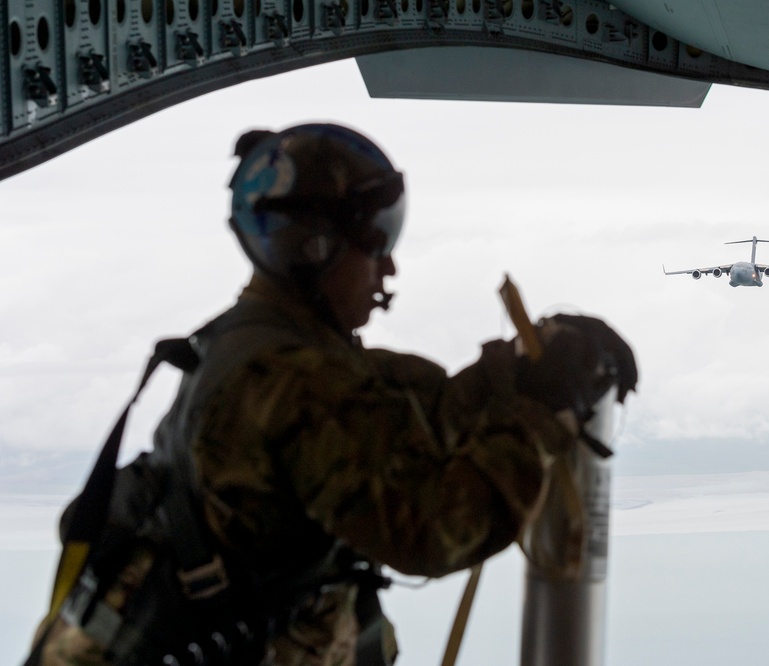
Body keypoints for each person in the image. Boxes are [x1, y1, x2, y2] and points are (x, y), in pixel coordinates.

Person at [28, 123, 637, 666]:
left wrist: (524, 369)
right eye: (375, 240)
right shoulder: (293, 378)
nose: (388, 269)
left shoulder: (263, 345)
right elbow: (433, 529)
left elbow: (410, 410)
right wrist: (539, 414)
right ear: (313, 246)